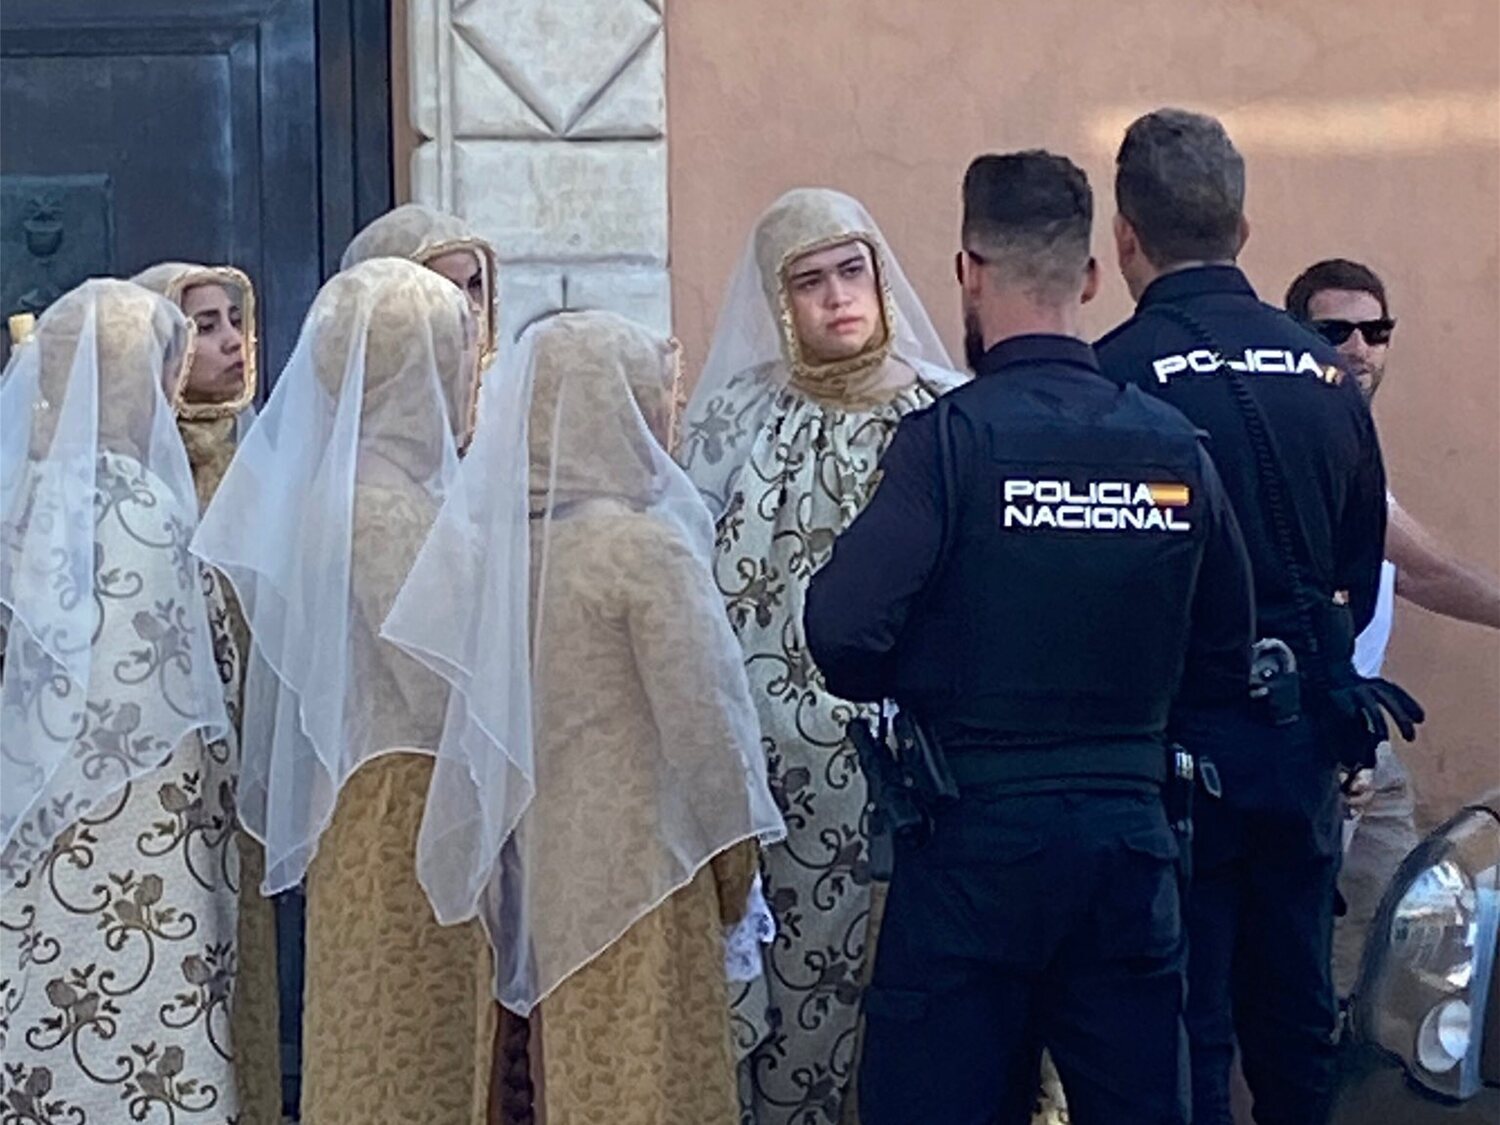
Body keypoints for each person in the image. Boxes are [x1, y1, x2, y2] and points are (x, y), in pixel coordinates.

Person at [803, 150, 1252, 1125]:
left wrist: (929, 667)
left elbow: (840, 632)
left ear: (968, 268)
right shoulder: (1172, 447)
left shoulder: (949, 444)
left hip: (973, 843)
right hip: (1127, 846)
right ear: (1090, 277)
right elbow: (1228, 646)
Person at [1093, 109, 1422, 1125]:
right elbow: (1357, 576)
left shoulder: (1111, 376)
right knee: (1294, 1014)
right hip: (1299, 752)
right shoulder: (1329, 377)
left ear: (1126, 237)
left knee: (1184, 1020)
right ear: (1242, 228)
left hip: (1169, 755)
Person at [387, 308, 784, 1124]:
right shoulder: (645, 549)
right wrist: (735, 870)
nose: (668, 415)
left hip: (525, 875)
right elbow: (705, 727)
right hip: (642, 872)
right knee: (643, 1085)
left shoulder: (499, 548)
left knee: (540, 1082)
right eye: (655, 397)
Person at [676, 187, 965, 1124]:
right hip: (777, 789)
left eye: (853, 271)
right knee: (794, 1014)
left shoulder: (948, 417)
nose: (839, 297)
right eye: (810, 281)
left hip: (926, 777)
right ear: (777, 299)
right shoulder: (730, 429)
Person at [192, 258, 493, 1125]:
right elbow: (435, 673)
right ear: (406, 363)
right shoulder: (378, 503)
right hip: (403, 807)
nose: (467, 369)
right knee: (399, 1038)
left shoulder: (379, 487)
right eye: (451, 347)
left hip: (393, 799)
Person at [1, 279, 242, 1121]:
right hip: (145, 838)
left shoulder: (16, 503)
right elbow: (194, 682)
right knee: (141, 1050)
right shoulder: (143, 507)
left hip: (33, 827)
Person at [1285, 257, 1500, 996]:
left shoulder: (1351, 441)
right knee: (1304, 956)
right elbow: (1428, 567)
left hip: (1369, 733)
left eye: (1376, 330)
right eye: (1334, 329)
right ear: (1293, 337)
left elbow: (1399, 574)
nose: (1359, 347)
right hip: (1313, 736)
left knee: (1401, 941)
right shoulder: (1305, 444)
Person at [132, 261, 282, 1125]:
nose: (231, 342)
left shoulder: (255, 457)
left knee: (249, 958)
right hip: (171, 775)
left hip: (251, 755)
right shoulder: (146, 475)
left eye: (235, 321)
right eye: (205, 326)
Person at [343, 203, 499, 379]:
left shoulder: (505, 386)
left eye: (475, 284)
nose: (470, 306)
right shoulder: (374, 398)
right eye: (447, 289)